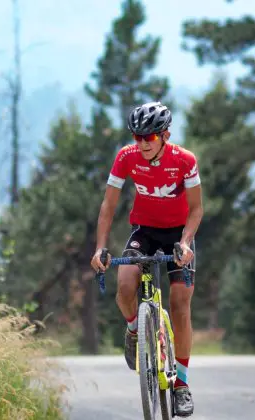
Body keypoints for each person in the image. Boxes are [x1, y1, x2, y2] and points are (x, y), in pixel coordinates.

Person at [90, 101, 202, 417]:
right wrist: (99, 248)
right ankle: (135, 330)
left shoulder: (185, 161)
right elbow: (108, 206)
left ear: (165, 135)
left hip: (180, 235)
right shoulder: (126, 157)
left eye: (149, 138)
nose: (142, 144)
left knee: (180, 304)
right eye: (137, 137)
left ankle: (181, 385)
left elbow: (196, 209)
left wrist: (185, 242)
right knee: (125, 286)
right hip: (146, 233)